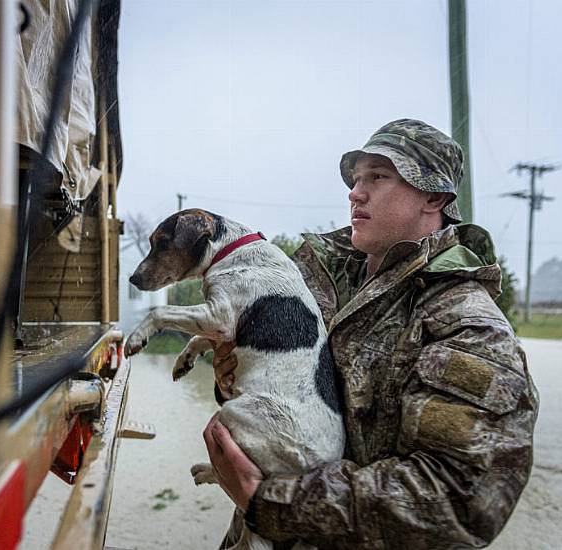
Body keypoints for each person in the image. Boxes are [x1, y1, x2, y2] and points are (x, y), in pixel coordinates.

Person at [203, 119, 539, 549]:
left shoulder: (466, 324)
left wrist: (269, 502)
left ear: (434, 196)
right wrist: (231, 375)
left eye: (378, 177)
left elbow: (456, 497)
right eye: (356, 178)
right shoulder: (310, 279)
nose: (355, 192)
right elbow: (273, 386)